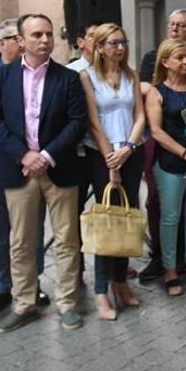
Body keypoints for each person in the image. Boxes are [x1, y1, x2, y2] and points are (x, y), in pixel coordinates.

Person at [0, 14, 88, 332]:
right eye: (36, 35)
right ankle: (25, 302)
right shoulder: (1, 78)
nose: (44, 40)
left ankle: (67, 303)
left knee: (67, 240)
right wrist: (25, 155)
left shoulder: (68, 78)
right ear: (21, 41)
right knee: (21, 242)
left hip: (59, 168)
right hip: (19, 171)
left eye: (48, 34)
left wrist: (45, 155)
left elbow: (77, 122)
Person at [0, 19, 49, 315]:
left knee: (30, 231)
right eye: (14, 38)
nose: (20, 43)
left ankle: (31, 283)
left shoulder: (34, 75)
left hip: (27, 167)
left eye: (21, 37)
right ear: (2, 43)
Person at [137, 9, 186, 282]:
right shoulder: (152, 64)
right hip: (167, 155)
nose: (174, 28)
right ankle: (164, 263)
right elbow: (147, 97)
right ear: (165, 61)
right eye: (171, 24)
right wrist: (185, 153)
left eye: (182, 25)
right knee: (163, 210)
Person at [78, 23, 145, 319]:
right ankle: (101, 292)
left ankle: (121, 283)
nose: (120, 47)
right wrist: (111, 160)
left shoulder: (132, 75)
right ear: (100, 47)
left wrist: (129, 147)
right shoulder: (87, 76)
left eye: (123, 41)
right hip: (102, 155)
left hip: (131, 151)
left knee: (127, 219)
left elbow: (140, 115)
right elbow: (93, 122)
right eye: (113, 42)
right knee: (107, 221)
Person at [66, 21, 100, 282]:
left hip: (103, 152)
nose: (98, 40)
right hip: (77, 152)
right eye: (92, 36)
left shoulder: (113, 70)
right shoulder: (71, 72)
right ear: (80, 42)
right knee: (75, 210)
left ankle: (110, 260)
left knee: (107, 209)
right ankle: (76, 268)